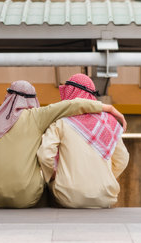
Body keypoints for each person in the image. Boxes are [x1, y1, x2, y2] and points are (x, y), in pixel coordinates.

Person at [0, 80, 126, 208]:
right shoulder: (36, 117)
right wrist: (108, 108)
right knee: (42, 189)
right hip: (26, 198)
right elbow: (72, 105)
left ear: (7, 97)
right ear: (32, 99)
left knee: (49, 184)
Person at [37, 74, 129, 208]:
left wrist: (52, 176)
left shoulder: (60, 123)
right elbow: (123, 159)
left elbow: (45, 155)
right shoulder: (109, 122)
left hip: (68, 198)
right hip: (106, 197)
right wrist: (104, 178)